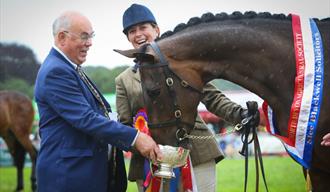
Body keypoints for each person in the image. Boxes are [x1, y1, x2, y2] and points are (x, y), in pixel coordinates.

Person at [115, 4, 257, 191]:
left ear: (156, 30)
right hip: (148, 160)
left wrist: (242, 114)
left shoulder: (181, 65)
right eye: (132, 31)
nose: (138, 34)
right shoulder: (123, 80)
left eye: (143, 28)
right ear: (128, 38)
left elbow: (212, 98)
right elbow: (124, 124)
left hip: (196, 149)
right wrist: (142, 142)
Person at [34, 11, 161, 192]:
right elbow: (87, 119)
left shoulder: (68, 67)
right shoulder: (56, 71)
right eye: (84, 37)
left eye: (91, 36)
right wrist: (135, 137)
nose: (90, 43)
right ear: (62, 37)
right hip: (68, 177)